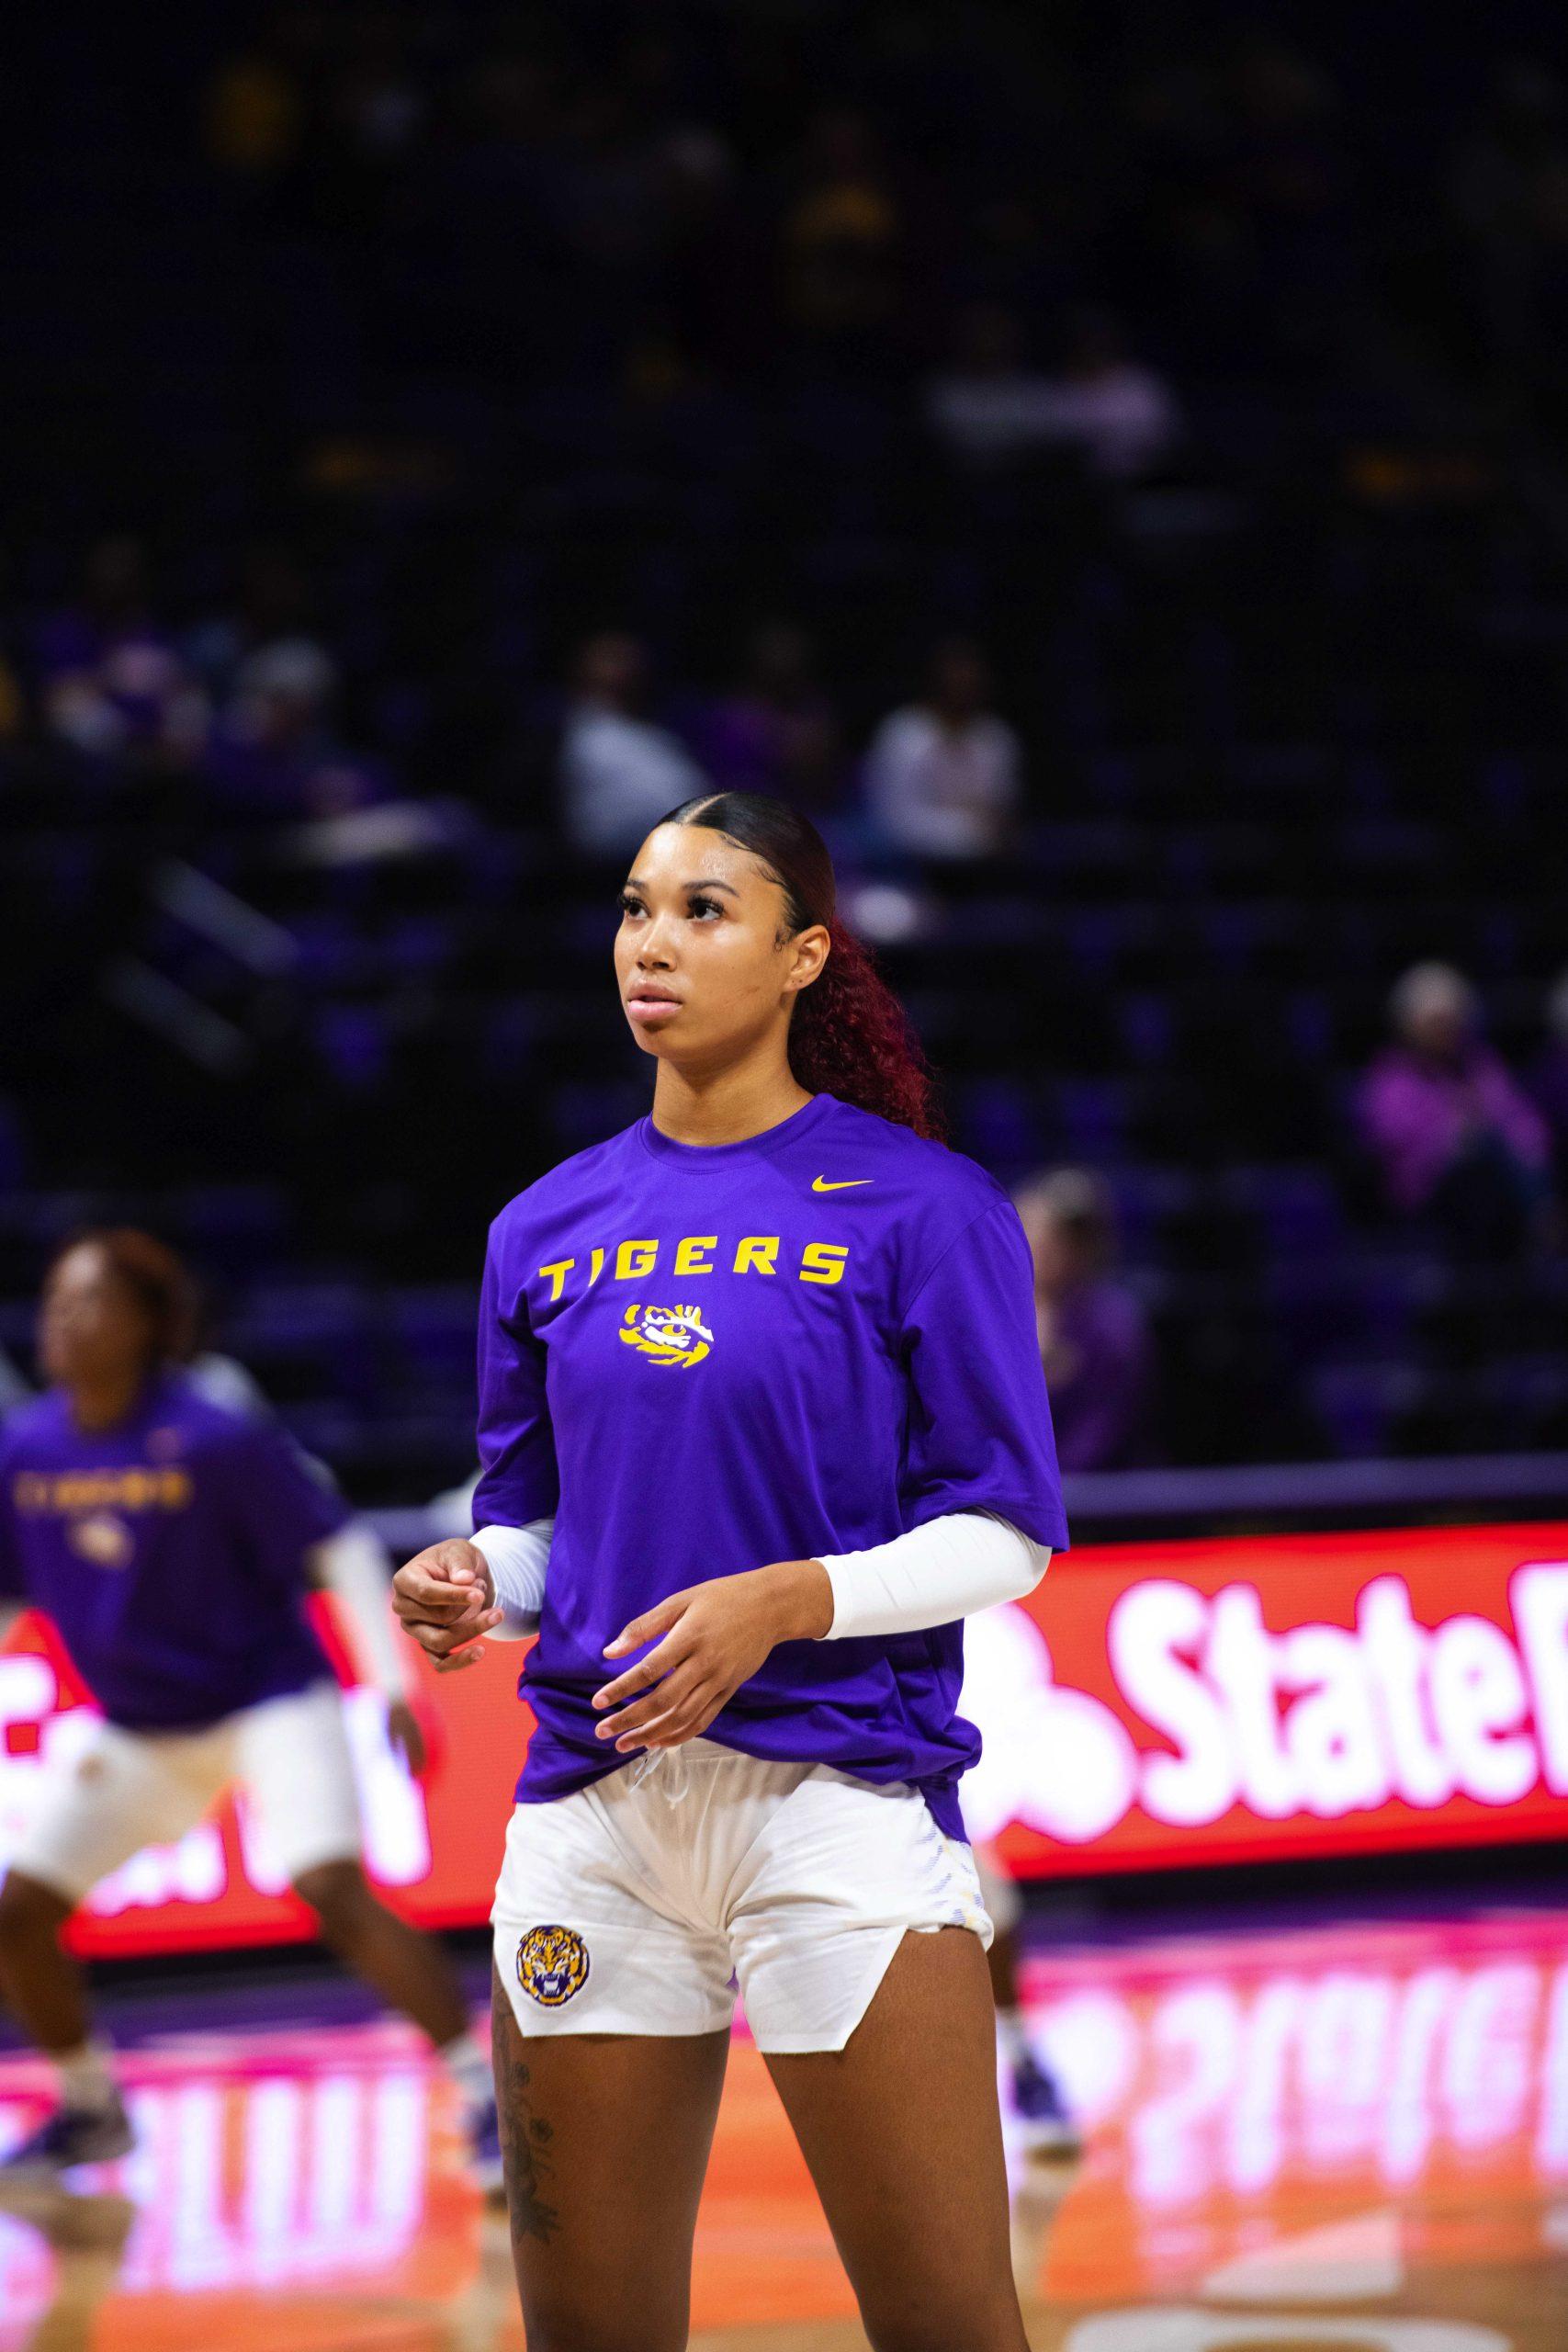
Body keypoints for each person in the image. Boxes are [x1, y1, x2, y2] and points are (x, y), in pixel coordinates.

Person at [392, 790, 1066, 2352]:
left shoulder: (922, 1207)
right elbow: (542, 1529)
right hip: (592, 1820)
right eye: (636, 906)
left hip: (832, 1805)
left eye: (705, 910)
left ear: (800, 957)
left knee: (950, 2326)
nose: (653, 942)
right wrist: (472, 1576)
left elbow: (1004, 1534)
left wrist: (787, 1598)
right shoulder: (541, 1226)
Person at [0, 1230, 500, 2186]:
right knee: (18, 1912)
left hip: (269, 1699)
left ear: (147, 1323)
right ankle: (90, 2108)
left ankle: (481, 2091)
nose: (60, 1321)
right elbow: (12, 1597)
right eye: (54, 1301)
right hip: (140, 1727)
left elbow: (338, 1547)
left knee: (330, 1888)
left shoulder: (213, 1436)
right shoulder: (27, 1446)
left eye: (86, 1301)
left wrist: (392, 1685)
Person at [1357, 962, 1553, 1257]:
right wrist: (1454, 1135)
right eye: (1436, 1022)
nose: (1446, 1030)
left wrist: (1525, 1150)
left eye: (1452, 1021)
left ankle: (1542, 1224)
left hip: (1499, 1184)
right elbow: (1394, 1144)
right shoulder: (1391, 1078)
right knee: (1477, 1171)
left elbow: (1523, 1123)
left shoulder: (1480, 1065)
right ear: (1409, 1024)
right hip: (1427, 1192)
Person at [1013, 1168, 1155, 1473]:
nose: (1042, 1250)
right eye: (1034, 1234)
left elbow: (1100, 1436)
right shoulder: (993, 1318)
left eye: (1061, 1240)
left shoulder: (1111, 1328)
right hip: (1010, 1497)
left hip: (1098, 1501)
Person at [863, 639, 1022, 863]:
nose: (963, 684)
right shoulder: (902, 733)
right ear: (934, 679)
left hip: (987, 871)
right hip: (907, 868)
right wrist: (971, 831)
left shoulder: (997, 737)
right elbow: (894, 821)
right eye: (955, 676)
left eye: (971, 678)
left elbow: (1003, 820)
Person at [558, 632, 707, 857]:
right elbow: (592, 829)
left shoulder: (652, 732)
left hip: (685, 852)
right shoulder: (587, 738)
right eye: (613, 658)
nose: (628, 668)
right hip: (618, 868)